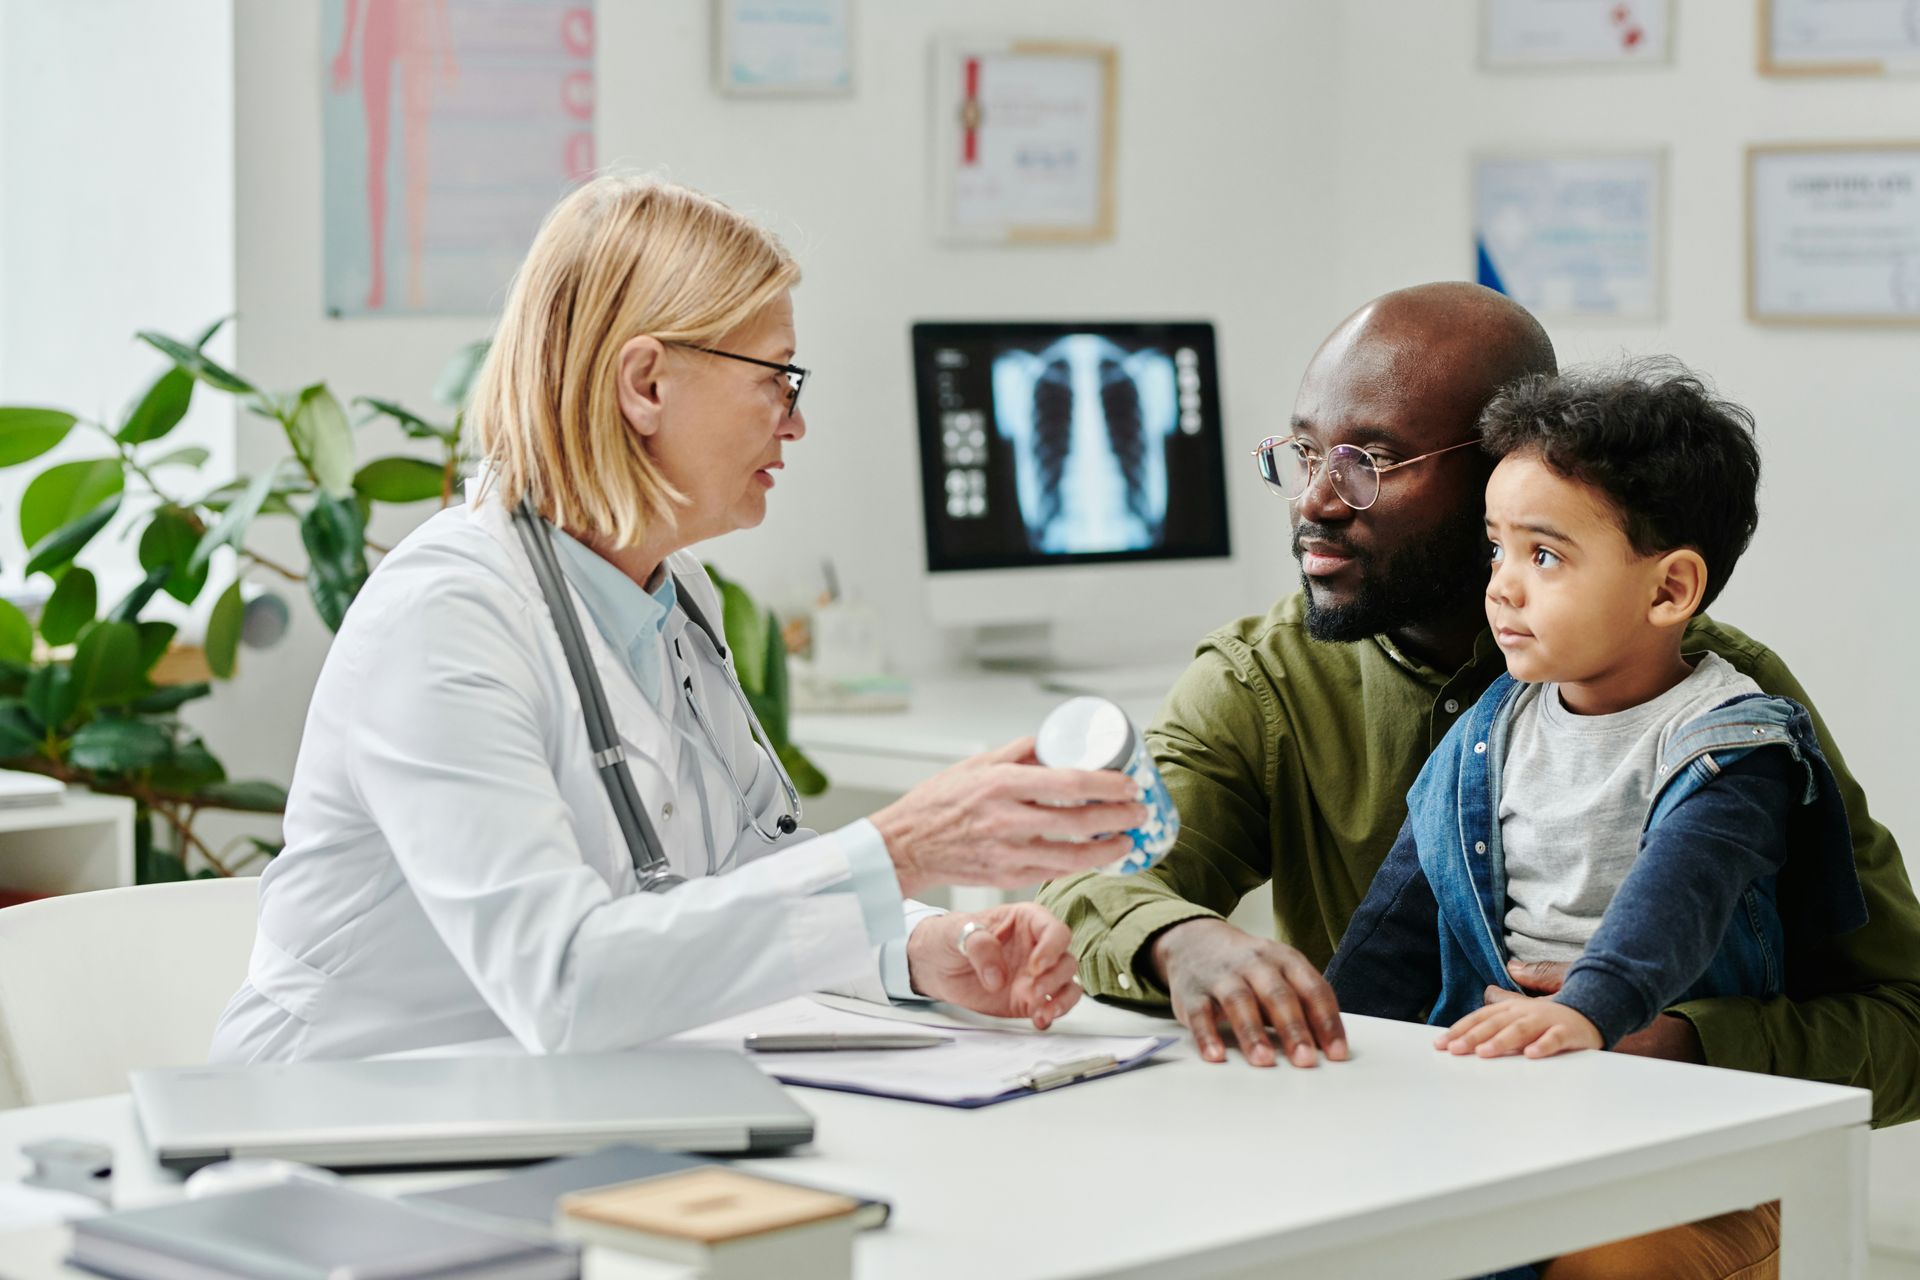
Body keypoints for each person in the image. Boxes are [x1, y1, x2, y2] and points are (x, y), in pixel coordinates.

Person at [1036, 282, 1920, 1276]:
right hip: (1397, 1144)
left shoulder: (1721, 716)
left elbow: (1904, 1023)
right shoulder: (1263, 680)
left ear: (1506, 465)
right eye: (1301, 453)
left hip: (1647, 1167)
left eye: (1369, 462)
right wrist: (1182, 938)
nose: (1315, 499)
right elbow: (1080, 882)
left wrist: (1672, 1041)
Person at [211, 176, 1146, 1064]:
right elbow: (566, 981)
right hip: (348, 1123)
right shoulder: (445, 617)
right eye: (777, 377)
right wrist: (905, 849)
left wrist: (924, 948)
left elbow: (748, 871)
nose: (795, 423)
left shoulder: (672, 593)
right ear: (646, 384)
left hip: (574, 1103)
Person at [1324, 362, 1865, 1067]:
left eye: (1544, 555)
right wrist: (1329, 1027)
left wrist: (1589, 1008)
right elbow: (1402, 915)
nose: (1502, 587)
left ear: (1670, 589)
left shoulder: (1732, 746)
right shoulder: (1489, 733)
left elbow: (1680, 895)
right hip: (1502, 1067)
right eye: (1497, 549)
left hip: (1669, 1086)